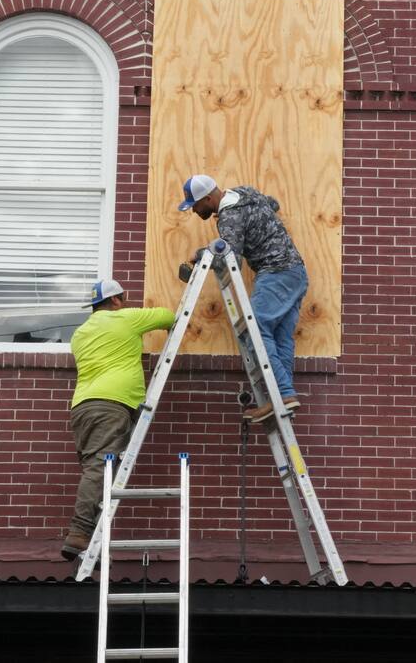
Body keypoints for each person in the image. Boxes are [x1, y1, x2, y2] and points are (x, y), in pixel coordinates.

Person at [61, 278, 175, 561]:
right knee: (99, 470)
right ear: (115, 300)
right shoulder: (126, 318)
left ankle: (92, 546)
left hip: (82, 408)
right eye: (122, 298)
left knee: (96, 470)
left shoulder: (80, 334)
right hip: (112, 405)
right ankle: (79, 531)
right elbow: (169, 317)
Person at [178, 174, 308, 423]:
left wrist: (199, 255)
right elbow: (272, 204)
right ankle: (285, 394)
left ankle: (280, 393)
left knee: (254, 328)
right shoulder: (246, 193)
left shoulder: (229, 216)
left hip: (276, 273)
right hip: (296, 273)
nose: (195, 211)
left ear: (207, 199)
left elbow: (230, 258)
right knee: (279, 338)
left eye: (196, 205)